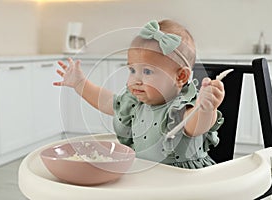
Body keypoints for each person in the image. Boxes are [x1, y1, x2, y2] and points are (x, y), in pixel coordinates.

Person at [53, 19, 225, 169]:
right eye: (132, 70)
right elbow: (106, 101)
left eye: (148, 72)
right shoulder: (136, 102)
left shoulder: (180, 106)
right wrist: (80, 84)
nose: (136, 79)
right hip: (146, 174)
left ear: (180, 76)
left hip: (185, 181)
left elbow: (195, 125)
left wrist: (206, 108)